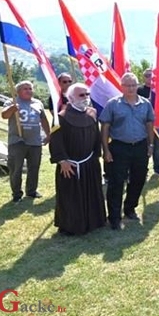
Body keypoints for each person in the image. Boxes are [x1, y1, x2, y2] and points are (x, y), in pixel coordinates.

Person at [49, 83, 106, 235]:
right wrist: (62, 161)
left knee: (92, 193)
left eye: (87, 94)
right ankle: (71, 226)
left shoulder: (92, 113)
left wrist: (96, 156)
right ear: (71, 98)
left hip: (89, 162)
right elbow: (56, 141)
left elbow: (96, 136)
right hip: (70, 164)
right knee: (71, 196)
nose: (86, 97)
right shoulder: (60, 117)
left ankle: (94, 222)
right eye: (82, 95)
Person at [100, 72, 155, 230]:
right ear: (122, 87)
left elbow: (149, 125)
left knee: (138, 179)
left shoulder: (145, 104)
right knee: (116, 182)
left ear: (137, 86)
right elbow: (105, 127)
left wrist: (151, 145)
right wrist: (106, 150)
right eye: (127, 85)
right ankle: (114, 217)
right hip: (119, 147)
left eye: (133, 85)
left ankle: (130, 208)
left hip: (140, 146)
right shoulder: (113, 104)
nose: (131, 88)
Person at [1, 80, 51, 203]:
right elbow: (4, 115)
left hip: (35, 141)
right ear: (18, 91)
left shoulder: (38, 103)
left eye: (30, 88)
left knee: (34, 167)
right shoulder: (12, 101)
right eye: (25, 88)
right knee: (16, 168)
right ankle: (17, 193)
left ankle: (31, 191)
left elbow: (43, 120)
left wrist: (48, 134)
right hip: (17, 140)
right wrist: (12, 109)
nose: (29, 91)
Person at [137, 68, 159, 176]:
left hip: (155, 123)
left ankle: (157, 168)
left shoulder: (158, 90)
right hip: (142, 123)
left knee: (156, 146)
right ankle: (143, 169)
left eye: (151, 75)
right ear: (143, 77)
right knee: (143, 147)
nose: (149, 78)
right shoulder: (139, 90)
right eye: (147, 75)